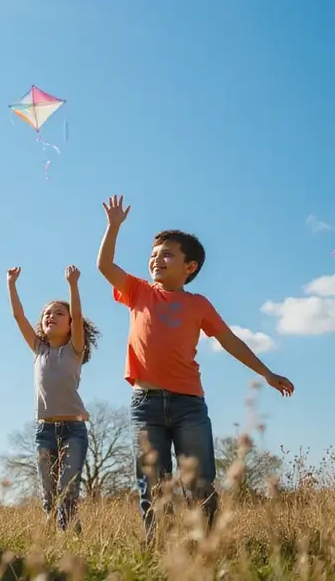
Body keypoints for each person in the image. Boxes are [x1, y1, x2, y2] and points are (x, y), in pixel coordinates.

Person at [97, 194, 294, 539]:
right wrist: (113, 227)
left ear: (190, 267)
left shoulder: (198, 304)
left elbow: (230, 341)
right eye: (154, 254)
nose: (157, 259)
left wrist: (266, 372)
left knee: (200, 482)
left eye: (168, 254)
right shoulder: (139, 291)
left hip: (189, 404)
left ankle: (207, 548)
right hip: (145, 405)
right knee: (153, 484)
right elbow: (105, 267)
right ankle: (158, 550)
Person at [6, 264, 100, 530]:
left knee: (67, 492)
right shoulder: (38, 349)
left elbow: (78, 314)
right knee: (49, 496)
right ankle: (56, 544)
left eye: (59, 313)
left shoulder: (74, 349)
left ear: (70, 324)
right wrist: (11, 284)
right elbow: (18, 316)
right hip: (44, 430)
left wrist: (73, 284)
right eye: (47, 314)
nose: (51, 316)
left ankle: (71, 543)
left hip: (73, 430)